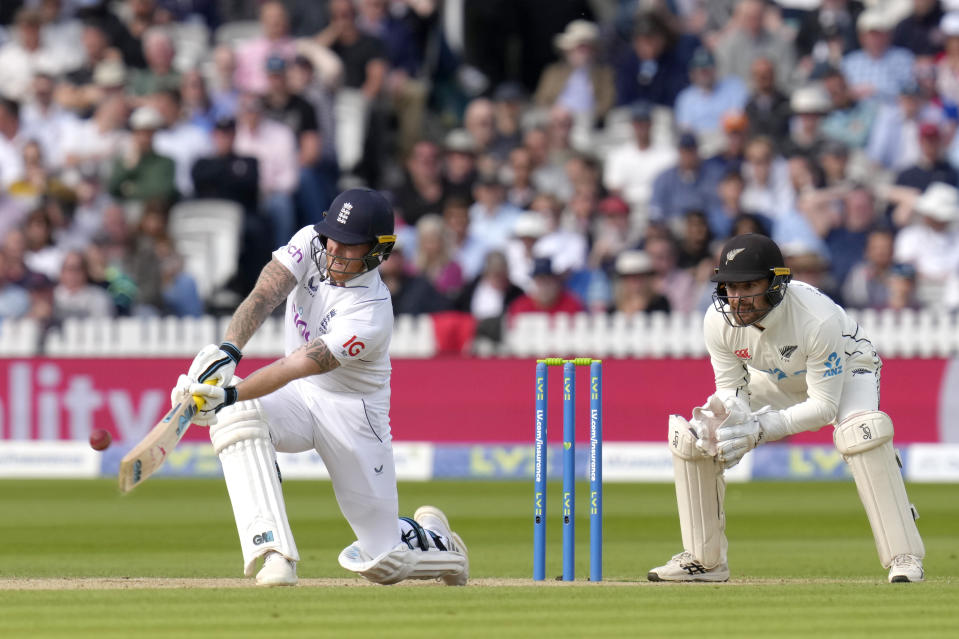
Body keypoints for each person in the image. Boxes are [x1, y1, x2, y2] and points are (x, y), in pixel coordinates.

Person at [169, 188, 469, 587]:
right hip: (298, 398)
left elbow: (296, 365)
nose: (335, 252)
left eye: (350, 247)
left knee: (383, 561)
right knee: (236, 417)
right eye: (333, 240)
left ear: (379, 251)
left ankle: (440, 545)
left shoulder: (371, 313)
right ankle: (274, 554)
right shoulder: (311, 240)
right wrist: (227, 353)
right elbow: (265, 294)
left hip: (351, 414)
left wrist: (228, 392)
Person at [648, 233, 925, 584]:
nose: (737, 299)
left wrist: (759, 429)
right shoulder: (717, 322)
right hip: (777, 377)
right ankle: (705, 561)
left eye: (748, 285)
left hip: (849, 368)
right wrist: (731, 419)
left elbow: (824, 407)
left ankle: (904, 555)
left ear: (776, 283)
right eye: (730, 288)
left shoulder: (815, 319)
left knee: (859, 432)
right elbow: (731, 391)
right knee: (699, 434)